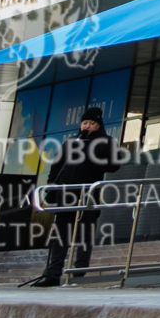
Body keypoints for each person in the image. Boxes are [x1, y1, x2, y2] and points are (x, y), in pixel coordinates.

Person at [27, 106, 117, 287]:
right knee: (60, 235)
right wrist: (52, 189)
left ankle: (79, 272)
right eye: (85, 123)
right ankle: (53, 274)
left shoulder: (107, 142)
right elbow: (57, 166)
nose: (87, 126)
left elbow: (114, 165)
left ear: (99, 125)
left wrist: (93, 157)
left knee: (84, 234)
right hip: (65, 195)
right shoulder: (71, 141)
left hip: (88, 195)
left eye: (92, 123)